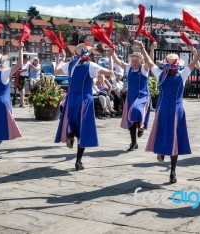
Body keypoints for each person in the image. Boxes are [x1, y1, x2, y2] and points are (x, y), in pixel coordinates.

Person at [142, 37, 200, 183]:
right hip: (177, 110)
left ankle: (161, 151)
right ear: (178, 65)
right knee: (175, 139)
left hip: (162, 109)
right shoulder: (183, 75)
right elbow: (195, 60)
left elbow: (149, 62)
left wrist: (143, 48)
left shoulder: (160, 75)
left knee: (161, 132)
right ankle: (172, 171)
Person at [54, 43, 114, 171]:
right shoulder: (91, 66)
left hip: (71, 100)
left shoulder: (70, 65)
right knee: (84, 130)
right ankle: (78, 161)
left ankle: (70, 132)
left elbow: (56, 71)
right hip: (84, 100)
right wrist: (110, 58)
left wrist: (61, 59)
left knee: (73, 122)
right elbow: (110, 73)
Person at [110, 43, 154, 151]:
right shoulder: (129, 67)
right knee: (130, 120)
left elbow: (150, 62)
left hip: (142, 95)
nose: (134, 63)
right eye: (132, 61)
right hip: (131, 96)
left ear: (140, 61)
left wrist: (150, 50)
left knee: (137, 110)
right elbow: (118, 62)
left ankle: (142, 126)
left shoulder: (144, 68)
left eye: (136, 61)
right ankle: (133, 143)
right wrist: (112, 53)